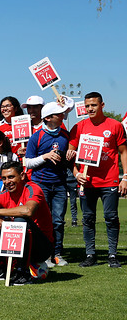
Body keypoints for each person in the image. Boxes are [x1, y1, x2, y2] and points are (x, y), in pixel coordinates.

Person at [0, 162, 54, 285]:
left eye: (11, 177)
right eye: (4, 178)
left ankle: (23, 272)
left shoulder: (33, 189)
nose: (7, 181)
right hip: (18, 243)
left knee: (20, 221)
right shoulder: (3, 195)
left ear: (22, 176)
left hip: (42, 246)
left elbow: (28, 211)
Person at [69, 92, 127, 268]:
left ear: (102, 105)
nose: (90, 109)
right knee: (87, 218)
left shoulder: (115, 125)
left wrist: (125, 177)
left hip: (109, 180)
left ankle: (112, 254)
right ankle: (90, 254)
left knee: (111, 217)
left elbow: (123, 152)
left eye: (93, 105)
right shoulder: (79, 127)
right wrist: (76, 174)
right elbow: (70, 156)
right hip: (87, 181)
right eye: (87, 106)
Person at [25, 101, 73, 267]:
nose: (62, 116)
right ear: (48, 118)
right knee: (43, 221)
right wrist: (45, 156)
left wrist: (71, 154)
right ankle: (45, 254)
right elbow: (28, 163)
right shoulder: (36, 137)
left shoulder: (65, 136)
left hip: (60, 184)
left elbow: (70, 159)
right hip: (41, 185)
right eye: (59, 114)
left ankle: (57, 254)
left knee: (58, 221)